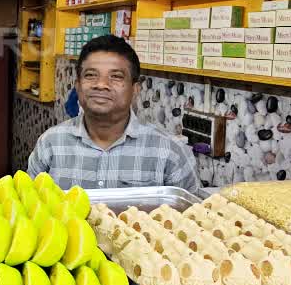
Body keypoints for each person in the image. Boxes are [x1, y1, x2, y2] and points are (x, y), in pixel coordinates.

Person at [27, 35, 200, 192]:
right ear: (78, 86)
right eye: (90, 75)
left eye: (116, 77)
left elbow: (192, 219)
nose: (101, 84)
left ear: (135, 89)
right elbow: (29, 210)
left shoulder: (170, 151)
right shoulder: (50, 144)